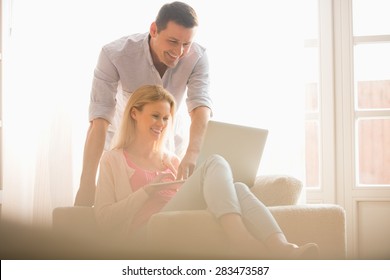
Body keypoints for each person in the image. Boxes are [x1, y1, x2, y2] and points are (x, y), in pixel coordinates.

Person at [94, 85, 319, 259]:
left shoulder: (172, 161)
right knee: (215, 161)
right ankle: (240, 239)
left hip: (187, 220)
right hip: (146, 230)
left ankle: (284, 248)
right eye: (155, 116)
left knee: (238, 187)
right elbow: (104, 220)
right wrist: (146, 192)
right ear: (134, 113)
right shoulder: (113, 160)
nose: (161, 124)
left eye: (165, 118)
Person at [75, 1, 212, 206]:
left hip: (170, 150)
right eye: (173, 41)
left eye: (186, 44)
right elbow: (99, 120)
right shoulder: (115, 55)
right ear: (154, 30)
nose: (180, 51)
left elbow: (200, 107)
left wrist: (193, 152)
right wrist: (86, 184)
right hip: (124, 151)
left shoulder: (197, 57)